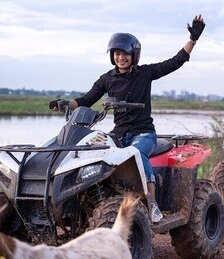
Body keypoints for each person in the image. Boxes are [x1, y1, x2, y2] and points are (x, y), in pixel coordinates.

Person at [49, 15, 206, 223]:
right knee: (90, 151)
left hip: (143, 134)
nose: (120, 57)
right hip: (119, 134)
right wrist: (66, 104)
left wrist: (192, 39)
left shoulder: (145, 73)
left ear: (134, 55)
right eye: (116, 54)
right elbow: (86, 100)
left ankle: (152, 204)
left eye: (124, 54)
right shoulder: (107, 78)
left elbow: (175, 62)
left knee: (137, 153)